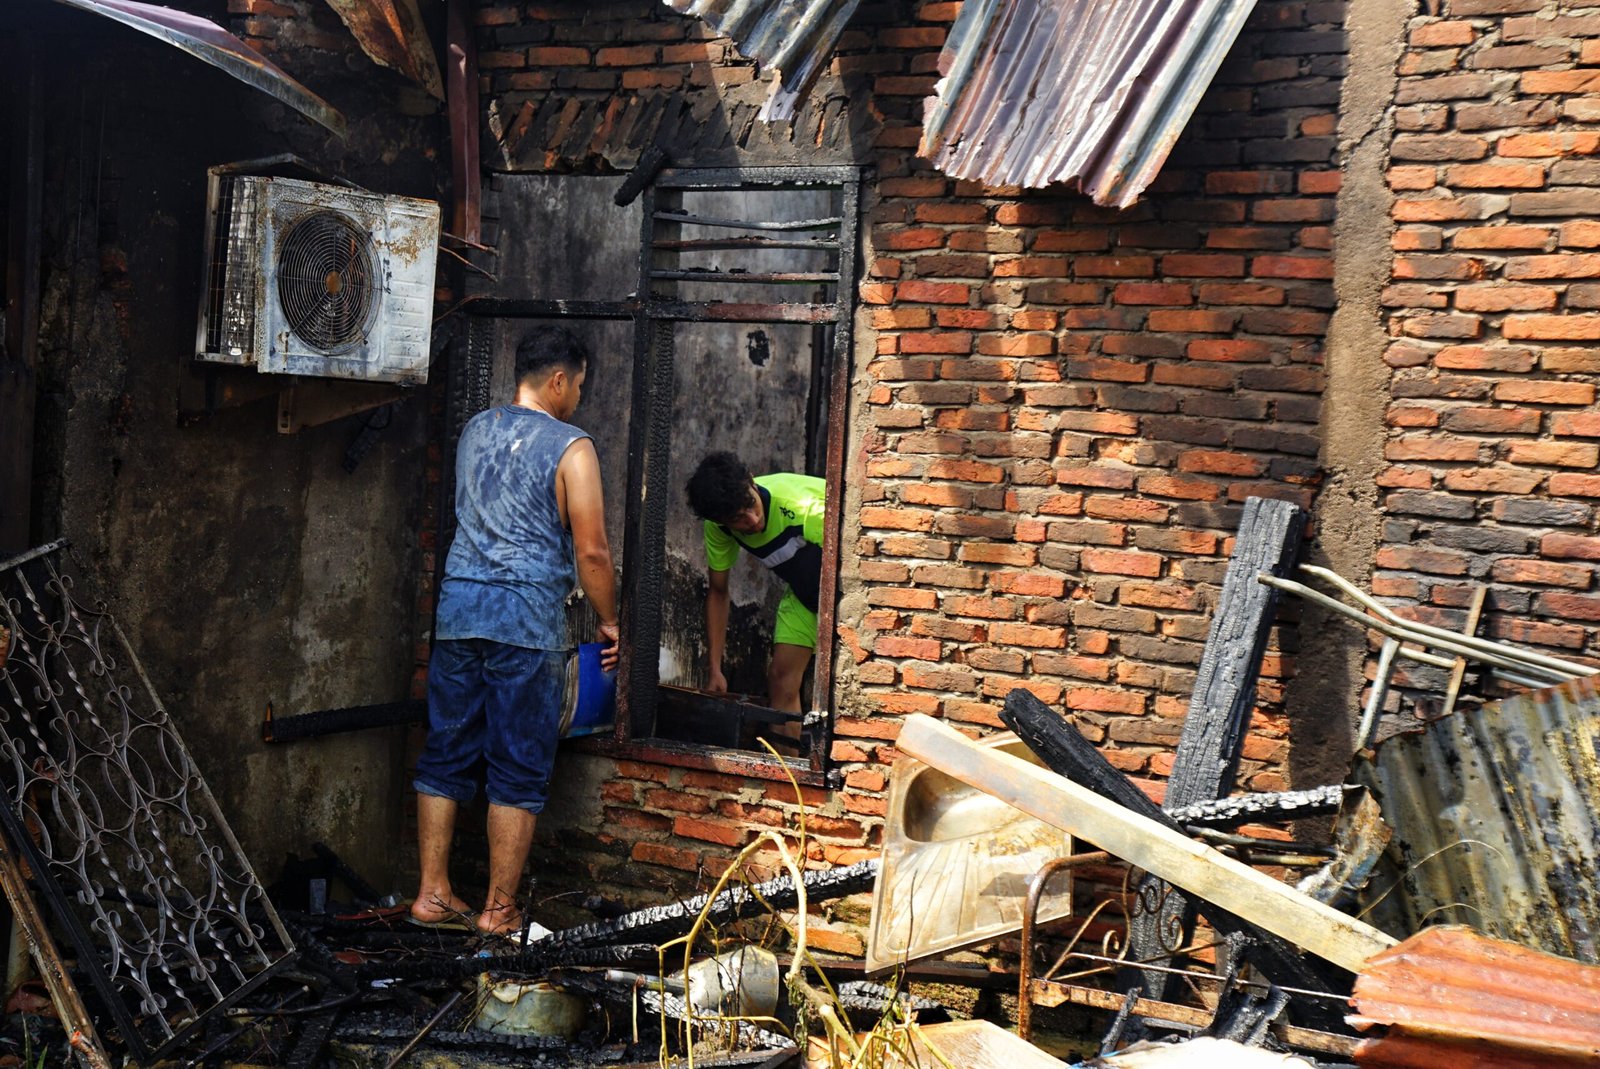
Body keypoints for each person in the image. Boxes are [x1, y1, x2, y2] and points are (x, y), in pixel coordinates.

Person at [411, 326, 617, 938]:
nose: (577, 397)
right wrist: (610, 621)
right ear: (559, 380)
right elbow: (594, 554)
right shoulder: (572, 447)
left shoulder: (475, 430)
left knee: (446, 751)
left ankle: (432, 894)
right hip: (524, 627)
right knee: (519, 767)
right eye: (578, 385)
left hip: (457, 618)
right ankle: (498, 912)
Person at [685, 452, 825, 722]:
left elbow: (855, 560)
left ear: (751, 480)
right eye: (738, 518)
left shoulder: (801, 506)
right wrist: (715, 669)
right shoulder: (719, 528)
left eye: (751, 504)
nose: (753, 520)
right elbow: (718, 592)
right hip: (804, 591)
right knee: (781, 680)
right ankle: (787, 764)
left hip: (843, 586)